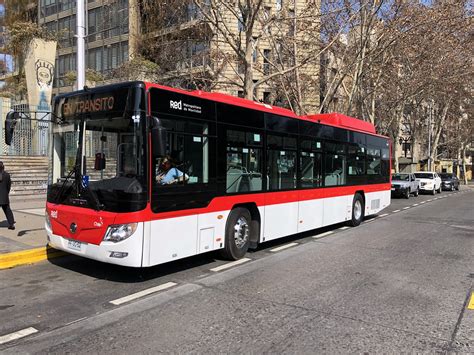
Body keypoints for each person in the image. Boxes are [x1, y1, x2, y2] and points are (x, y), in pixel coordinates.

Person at [0, 161, 15, 230]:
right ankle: (11, 224)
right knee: (7, 210)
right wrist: (6, 193)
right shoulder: (7, 175)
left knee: (7, 210)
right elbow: (9, 186)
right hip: (4, 196)